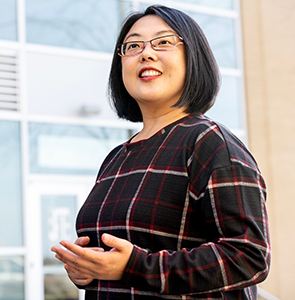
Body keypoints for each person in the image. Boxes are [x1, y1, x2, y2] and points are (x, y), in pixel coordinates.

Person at [51, 5, 271, 300]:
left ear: (193, 57)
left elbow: (248, 257)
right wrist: (89, 270)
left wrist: (136, 266)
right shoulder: (117, 157)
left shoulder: (209, 143)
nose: (146, 53)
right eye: (133, 45)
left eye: (163, 42)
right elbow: (120, 259)